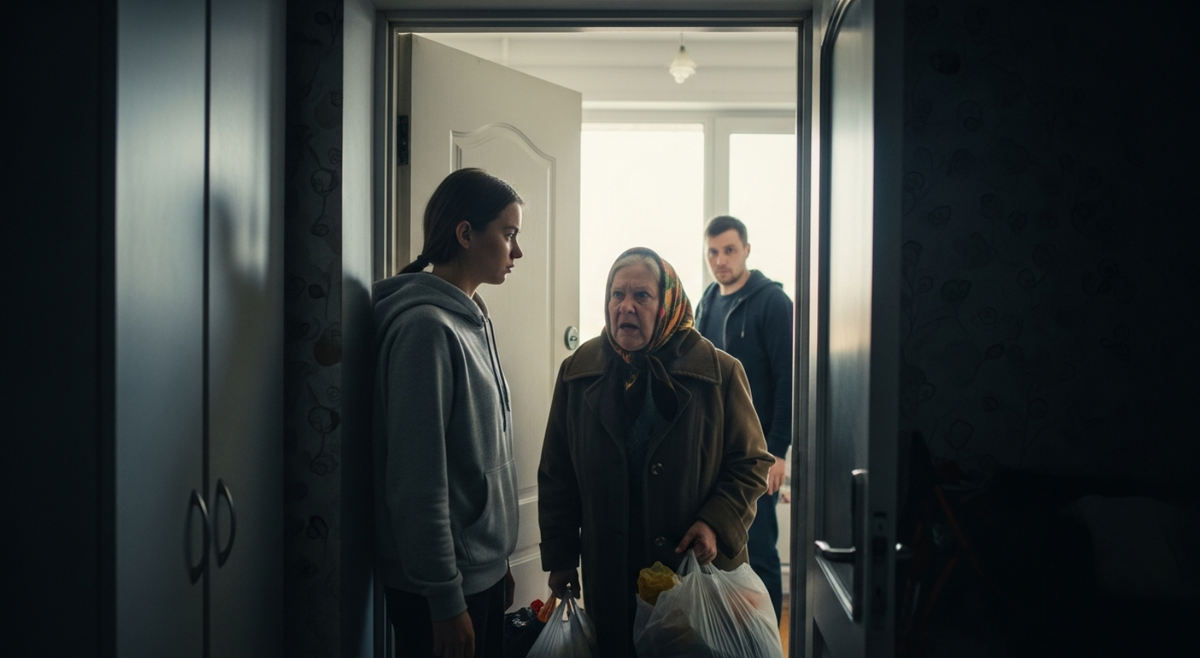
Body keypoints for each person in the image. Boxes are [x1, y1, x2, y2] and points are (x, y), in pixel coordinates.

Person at [538, 247, 773, 656]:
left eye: (642, 296)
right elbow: (558, 473)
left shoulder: (719, 373)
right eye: (617, 294)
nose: (626, 307)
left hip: (692, 568)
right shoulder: (579, 372)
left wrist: (715, 523)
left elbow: (751, 463)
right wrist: (560, 557)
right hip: (610, 571)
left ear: (667, 304)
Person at [373, 168, 525, 658]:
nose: (517, 252)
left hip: (478, 571)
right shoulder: (426, 330)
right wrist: (444, 598)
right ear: (465, 233)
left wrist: (499, 563)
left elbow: (478, 455)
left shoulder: (472, 317)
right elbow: (417, 480)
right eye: (509, 234)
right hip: (441, 589)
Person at [695, 215, 794, 623]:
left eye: (729, 250)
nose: (720, 260)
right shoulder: (707, 300)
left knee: (760, 550)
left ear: (747, 250)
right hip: (712, 451)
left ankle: (765, 639)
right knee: (718, 548)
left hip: (757, 453)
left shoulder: (773, 303)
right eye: (713, 252)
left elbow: (788, 379)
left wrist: (778, 451)